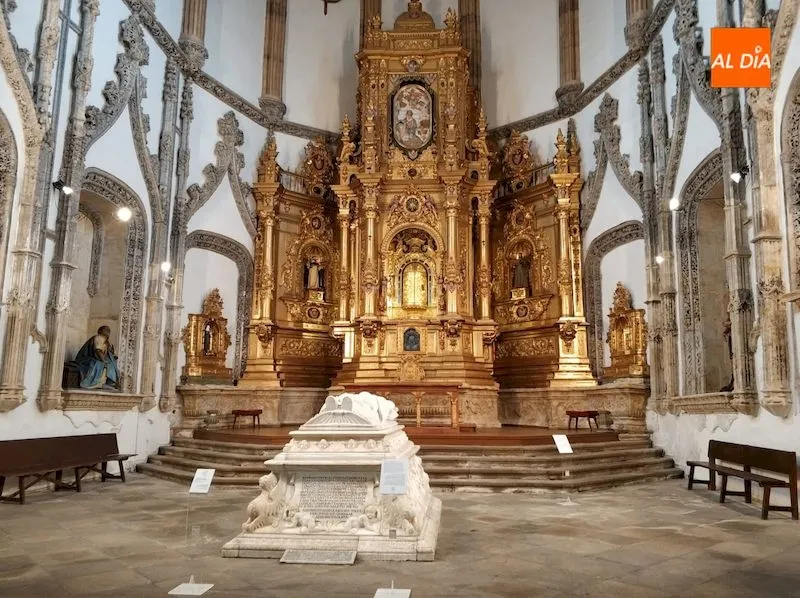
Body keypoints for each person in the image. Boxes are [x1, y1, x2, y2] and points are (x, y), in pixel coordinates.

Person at [74, 325, 120, 390]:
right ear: (101, 331)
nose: (108, 332)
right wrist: (104, 360)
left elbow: (110, 353)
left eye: (109, 331)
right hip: (86, 359)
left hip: (97, 358)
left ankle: (109, 382)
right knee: (102, 364)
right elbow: (98, 351)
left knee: (111, 363)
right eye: (106, 330)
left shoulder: (106, 341)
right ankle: (97, 383)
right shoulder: (99, 337)